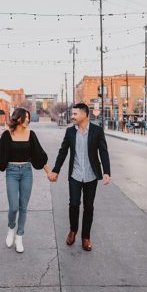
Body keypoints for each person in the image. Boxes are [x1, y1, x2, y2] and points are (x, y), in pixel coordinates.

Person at [50, 103, 111, 252]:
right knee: (74, 204)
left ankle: (86, 237)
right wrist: (56, 170)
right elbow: (63, 151)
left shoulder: (97, 131)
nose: (73, 116)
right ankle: (73, 231)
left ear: (84, 114)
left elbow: (103, 151)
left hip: (91, 175)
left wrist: (106, 172)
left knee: (89, 207)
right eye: (73, 114)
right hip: (75, 175)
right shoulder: (70, 132)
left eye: (75, 114)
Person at [0, 107, 52, 253]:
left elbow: (39, 156)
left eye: (29, 118)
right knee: (13, 207)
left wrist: (49, 172)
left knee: (23, 206)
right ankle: (11, 228)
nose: (28, 120)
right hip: (11, 172)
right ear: (18, 118)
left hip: (26, 172)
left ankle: (19, 236)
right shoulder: (7, 135)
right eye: (26, 117)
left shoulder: (31, 134)